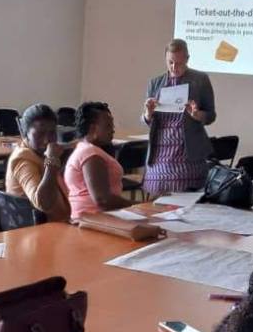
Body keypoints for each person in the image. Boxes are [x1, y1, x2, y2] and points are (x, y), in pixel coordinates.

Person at [141, 39, 216, 196]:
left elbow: (210, 115)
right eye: (170, 62)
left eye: (179, 63)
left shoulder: (200, 80)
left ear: (187, 59)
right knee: (157, 203)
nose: (174, 67)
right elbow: (148, 120)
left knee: (186, 202)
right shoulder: (155, 83)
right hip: (160, 153)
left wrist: (197, 115)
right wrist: (148, 113)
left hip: (188, 154)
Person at [64, 102, 132, 219]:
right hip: (94, 218)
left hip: (91, 217)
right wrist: (139, 206)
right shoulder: (91, 154)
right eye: (108, 126)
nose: (113, 130)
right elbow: (103, 200)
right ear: (93, 128)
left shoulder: (84, 148)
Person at [4, 104, 71, 222]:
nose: (46, 140)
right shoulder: (23, 159)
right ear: (26, 135)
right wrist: (52, 160)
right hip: (38, 228)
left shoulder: (39, 153)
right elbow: (43, 203)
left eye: (52, 133)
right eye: (39, 134)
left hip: (57, 222)